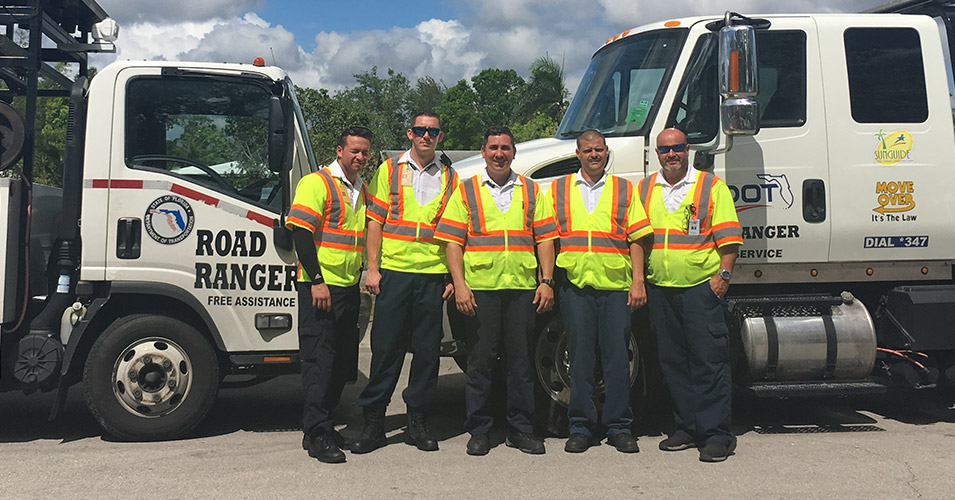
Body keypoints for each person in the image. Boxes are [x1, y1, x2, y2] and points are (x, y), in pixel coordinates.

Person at [435, 126, 558, 456]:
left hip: (521, 290)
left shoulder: (531, 191)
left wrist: (546, 281)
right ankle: (479, 429)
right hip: (481, 292)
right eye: (493, 148)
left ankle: (521, 429)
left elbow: (545, 239)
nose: (499, 153)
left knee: (521, 364)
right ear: (483, 151)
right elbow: (452, 242)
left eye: (505, 148)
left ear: (514, 153)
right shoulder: (466, 191)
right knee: (480, 363)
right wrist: (459, 285)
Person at [353, 111, 458, 453]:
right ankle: (373, 423)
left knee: (427, 353)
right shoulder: (389, 169)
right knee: (386, 349)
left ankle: (418, 421)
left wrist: (452, 277)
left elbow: (456, 233)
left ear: (440, 136)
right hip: (394, 273)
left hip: (431, 276)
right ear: (409, 134)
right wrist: (372, 268)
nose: (426, 136)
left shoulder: (449, 177)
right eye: (420, 130)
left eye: (432, 131)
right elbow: (375, 222)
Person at [638, 128, 743, 463]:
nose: (672, 155)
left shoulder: (711, 187)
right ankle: (687, 427)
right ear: (657, 153)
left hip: (701, 288)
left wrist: (722, 279)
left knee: (708, 362)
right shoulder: (645, 188)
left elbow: (729, 238)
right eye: (666, 149)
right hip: (661, 289)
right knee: (673, 363)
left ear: (688, 151)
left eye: (678, 148)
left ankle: (717, 435)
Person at [549, 129, 652, 454]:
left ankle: (619, 427)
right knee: (579, 360)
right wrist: (548, 280)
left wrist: (638, 281)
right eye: (587, 150)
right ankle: (580, 427)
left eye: (599, 150)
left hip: (615, 288)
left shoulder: (623, 188)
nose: (594, 155)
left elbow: (637, 238)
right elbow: (547, 238)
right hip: (576, 287)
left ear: (606, 153)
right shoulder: (559, 188)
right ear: (577, 154)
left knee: (617, 360)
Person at [286, 126, 373, 463]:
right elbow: (302, 236)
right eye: (354, 151)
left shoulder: (360, 188)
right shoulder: (316, 183)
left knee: (340, 363)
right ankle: (317, 434)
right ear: (339, 151)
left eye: (364, 152)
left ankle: (325, 423)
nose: (360, 157)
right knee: (319, 362)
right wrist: (318, 280)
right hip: (319, 288)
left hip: (348, 286)